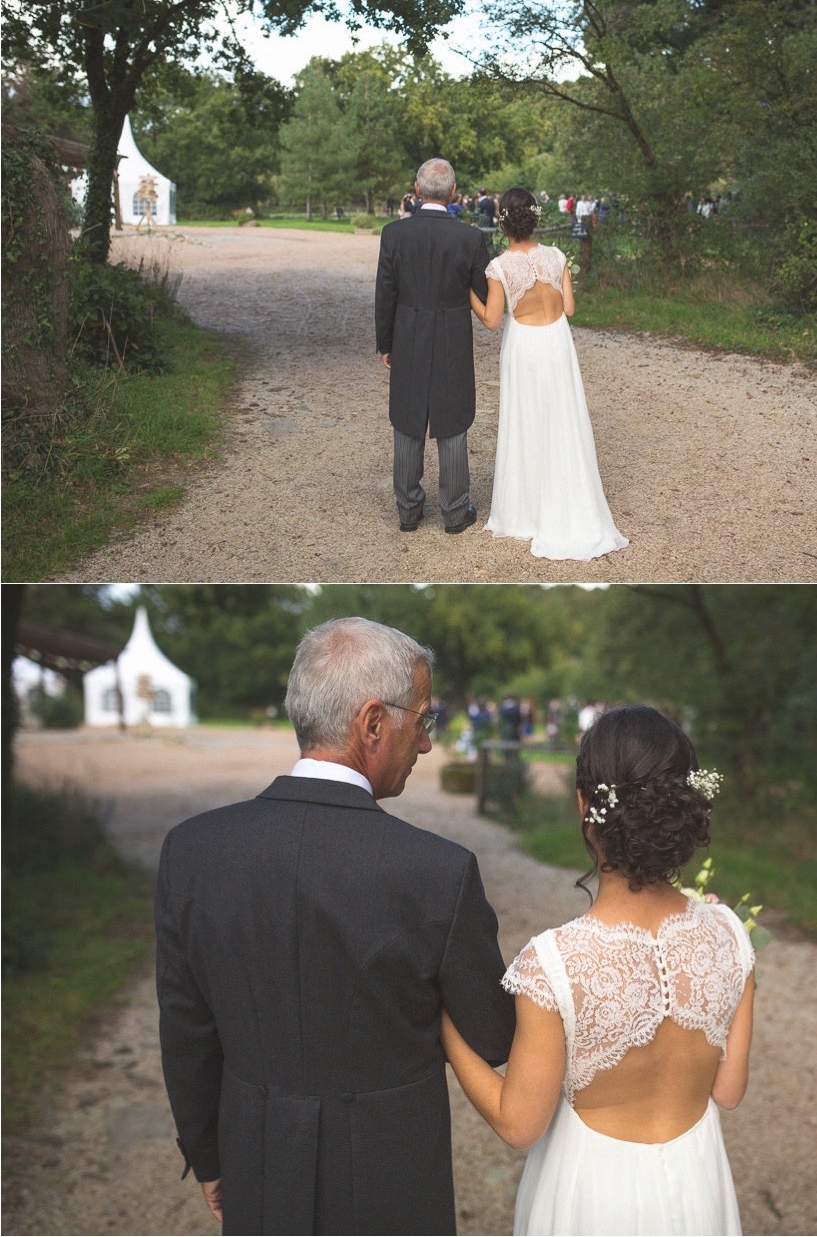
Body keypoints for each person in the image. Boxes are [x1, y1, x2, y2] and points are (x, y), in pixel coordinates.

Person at [156, 617, 515, 1236]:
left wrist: (210, 1156)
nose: (426, 743)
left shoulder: (193, 850)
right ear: (373, 723)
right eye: (423, 720)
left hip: (256, 1159)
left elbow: (186, 1027)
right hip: (392, 1175)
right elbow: (492, 1035)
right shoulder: (439, 871)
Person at [441, 705, 755, 1236]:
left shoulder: (556, 965)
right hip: (698, 1188)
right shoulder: (731, 934)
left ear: (586, 807)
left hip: (590, 1199)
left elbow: (520, 1125)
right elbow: (728, 1090)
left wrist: (446, 1026)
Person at [469, 186, 628, 561]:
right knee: (563, 419)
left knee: (527, 422)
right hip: (557, 344)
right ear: (535, 218)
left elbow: (492, 321)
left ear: (503, 221)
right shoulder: (557, 256)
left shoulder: (498, 267)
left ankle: (527, 510)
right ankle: (568, 497)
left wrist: (467, 295)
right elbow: (569, 307)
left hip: (524, 348)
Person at [375, 158, 490, 534]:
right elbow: (484, 294)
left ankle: (408, 509)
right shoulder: (471, 238)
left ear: (418, 189)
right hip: (452, 334)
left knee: (408, 417)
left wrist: (386, 343)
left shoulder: (394, 234)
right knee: (452, 419)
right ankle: (455, 512)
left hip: (408, 332)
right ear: (453, 193)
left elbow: (385, 294)